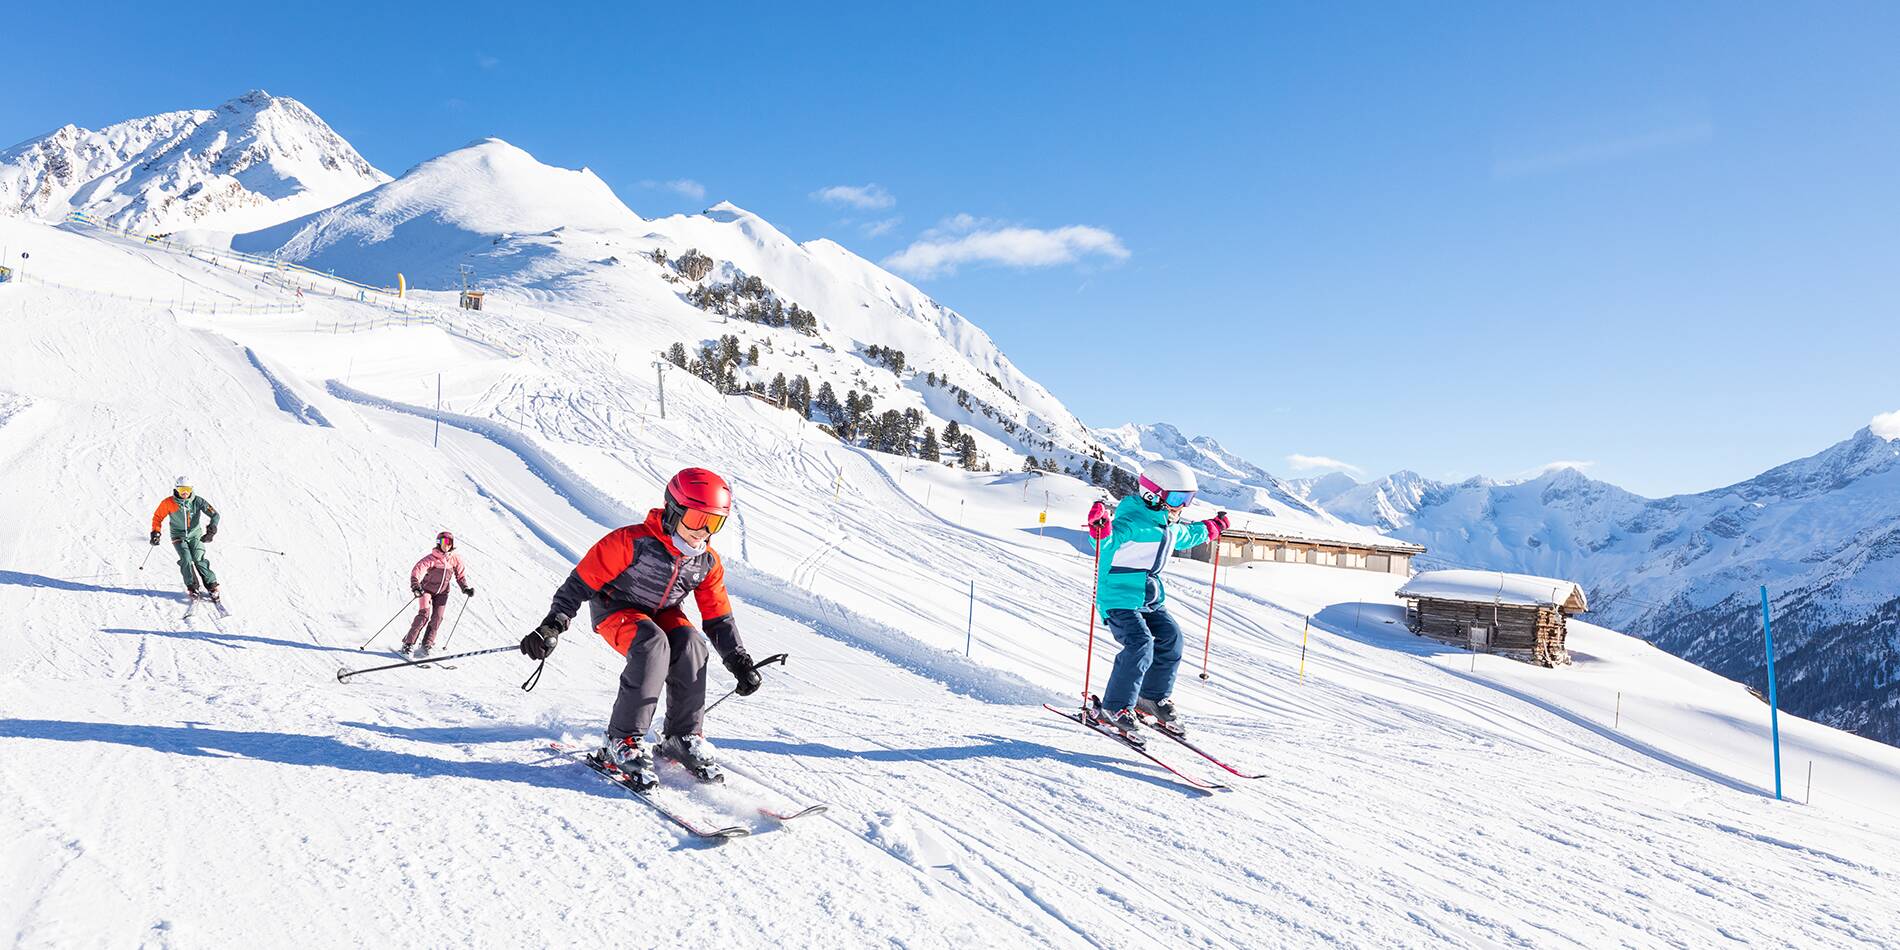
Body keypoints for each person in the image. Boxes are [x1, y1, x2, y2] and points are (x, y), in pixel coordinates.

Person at [519, 468, 763, 788]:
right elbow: (579, 585)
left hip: (662, 612)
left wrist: (739, 661)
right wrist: (552, 625)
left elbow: (718, 617)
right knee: (652, 643)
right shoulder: (631, 541)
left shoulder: (707, 562)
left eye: (713, 522)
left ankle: (682, 736)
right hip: (616, 608)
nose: (702, 531)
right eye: (695, 518)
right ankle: (622, 741)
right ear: (674, 510)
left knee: (691, 643)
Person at [1086, 460, 1228, 741]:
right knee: (1140, 643)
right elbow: (1106, 541)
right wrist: (1099, 529)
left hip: (1149, 597)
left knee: (1171, 638)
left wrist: (1212, 528)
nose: (1182, 506)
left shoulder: (1169, 525)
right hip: (1118, 598)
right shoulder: (1131, 522)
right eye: (1177, 498)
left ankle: (1150, 698)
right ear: (1153, 493)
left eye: (1188, 499)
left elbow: (1189, 535)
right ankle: (1115, 707)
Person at [402, 531, 474, 659]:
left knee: (437, 618)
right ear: (438, 543)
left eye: (449, 542)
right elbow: (417, 571)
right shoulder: (432, 558)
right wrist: (415, 585)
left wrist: (465, 588)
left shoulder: (455, 559)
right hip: (426, 591)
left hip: (442, 593)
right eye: (443, 542)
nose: (446, 545)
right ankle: (408, 644)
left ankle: (426, 645)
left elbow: (460, 575)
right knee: (423, 615)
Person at [150, 476, 222, 602]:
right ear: (177, 489)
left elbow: (215, 514)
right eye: (182, 489)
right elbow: (158, 517)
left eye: (188, 489)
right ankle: (192, 587)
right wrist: (156, 532)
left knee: (198, 559)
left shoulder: (198, 501)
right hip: (178, 535)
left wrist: (211, 530)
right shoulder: (168, 503)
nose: (185, 492)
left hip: (195, 535)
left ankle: (212, 586)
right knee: (186, 559)